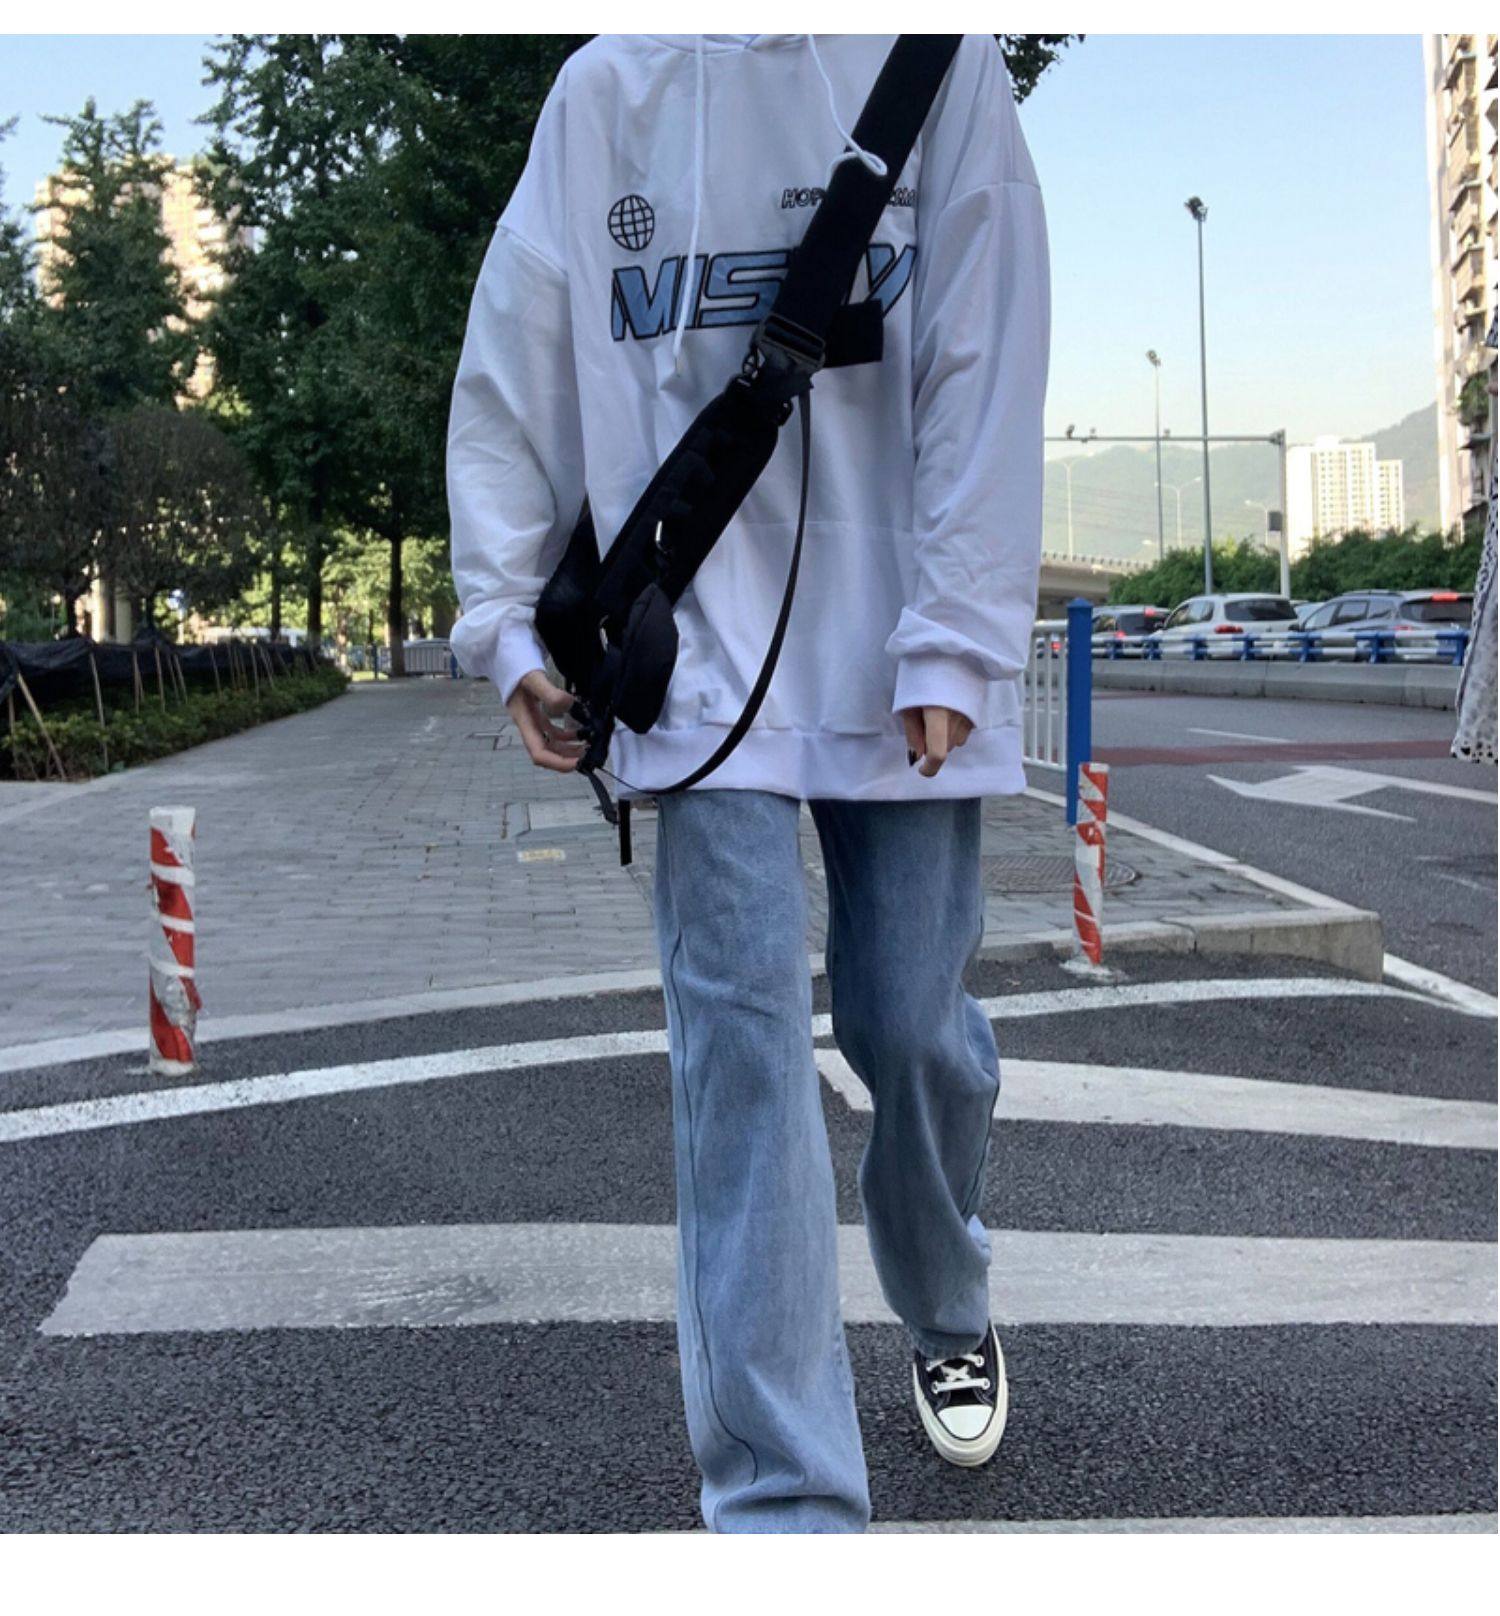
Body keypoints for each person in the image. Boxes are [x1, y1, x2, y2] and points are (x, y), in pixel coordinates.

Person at [447, 32, 1050, 1533]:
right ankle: (785, 1506)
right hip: (694, 644)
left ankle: (945, 1290)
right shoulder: (610, 89)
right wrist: (503, 618)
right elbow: (521, 346)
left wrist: (959, 632)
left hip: (898, 644)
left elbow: (985, 345)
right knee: (740, 1058)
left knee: (912, 1028)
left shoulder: (939, 60)